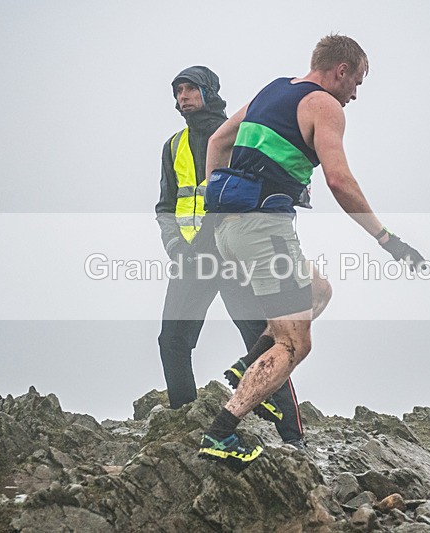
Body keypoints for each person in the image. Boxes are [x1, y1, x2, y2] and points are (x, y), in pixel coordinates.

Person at [196, 35, 426, 469]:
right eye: (357, 82)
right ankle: (221, 433)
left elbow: (218, 142)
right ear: (341, 70)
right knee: (294, 344)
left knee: (319, 290)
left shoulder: (274, 89)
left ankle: (249, 364)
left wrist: (217, 202)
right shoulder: (325, 105)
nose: (355, 94)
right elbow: (339, 181)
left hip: (231, 231)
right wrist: (387, 239)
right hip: (265, 230)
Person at [155, 65, 306, 447]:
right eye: (178, 91)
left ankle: (293, 437)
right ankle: (185, 422)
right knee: (172, 340)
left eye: (191, 89)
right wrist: (176, 248)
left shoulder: (238, 135)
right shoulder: (173, 146)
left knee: (265, 340)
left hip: (234, 256)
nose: (183, 97)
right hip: (192, 260)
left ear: (209, 92)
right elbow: (166, 206)